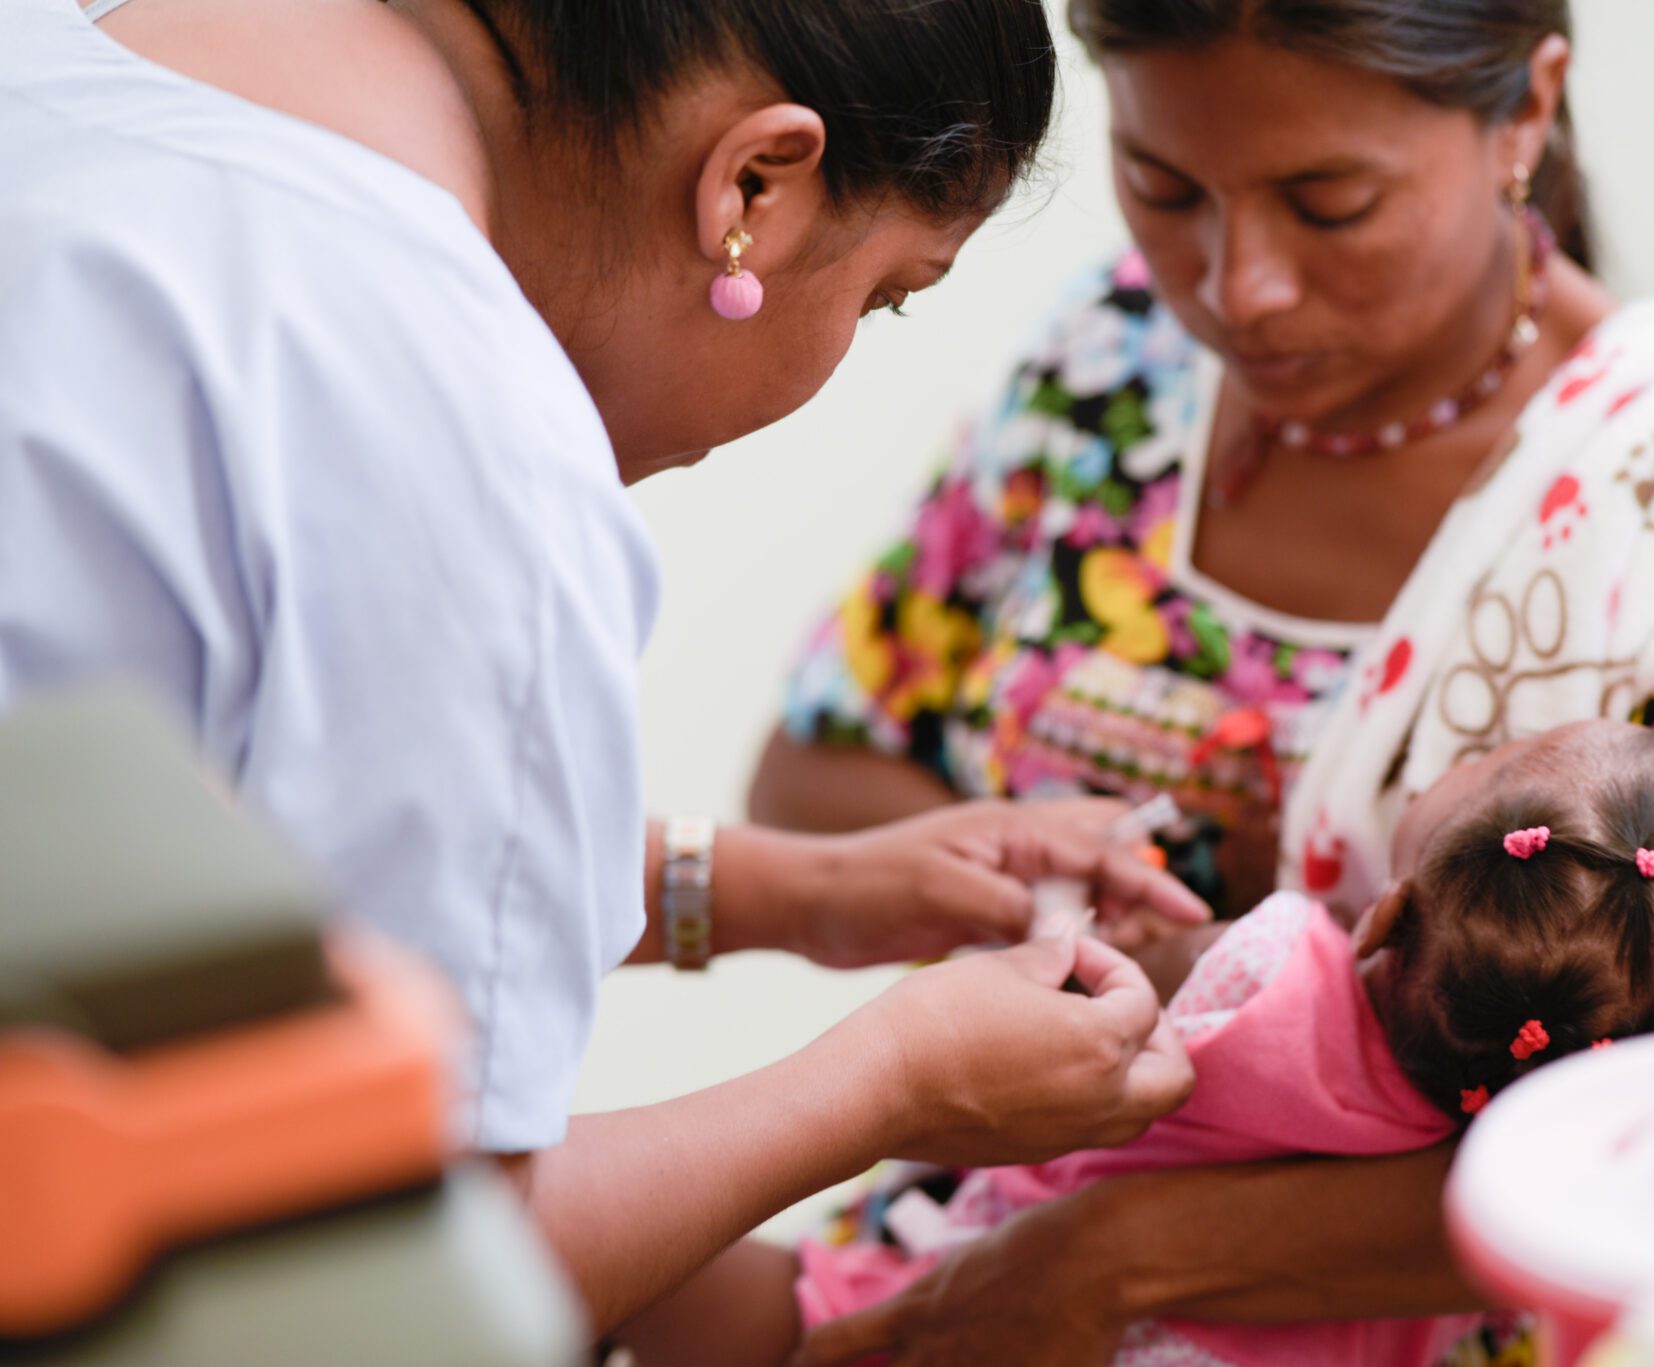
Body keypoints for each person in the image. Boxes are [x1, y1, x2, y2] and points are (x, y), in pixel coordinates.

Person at [0, 0, 1215, 1350]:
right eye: (881, 298)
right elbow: (424, 1277)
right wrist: (889, 1077)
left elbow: (192, 852)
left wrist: (799, 891)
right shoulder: (462, 445)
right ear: (756, 183)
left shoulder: (54, 66)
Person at [756, 2, 1654, 1362]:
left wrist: (1114, 1252)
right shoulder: (1120, 367)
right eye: (1164, 188)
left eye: (1329, 201)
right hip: (969, 1224)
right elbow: (816, 765)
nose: (1237, 283)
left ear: (1527, 110)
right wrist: (1109, 963)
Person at [668, 720, 1654, 1367]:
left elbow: (1074, 984)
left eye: (1486, 756)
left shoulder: (1260, 966)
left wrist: (1076, 904)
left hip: (948, 1311)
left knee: (613, 1259)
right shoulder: (1486, 1187)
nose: (1453, 754)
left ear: (1384, 912)